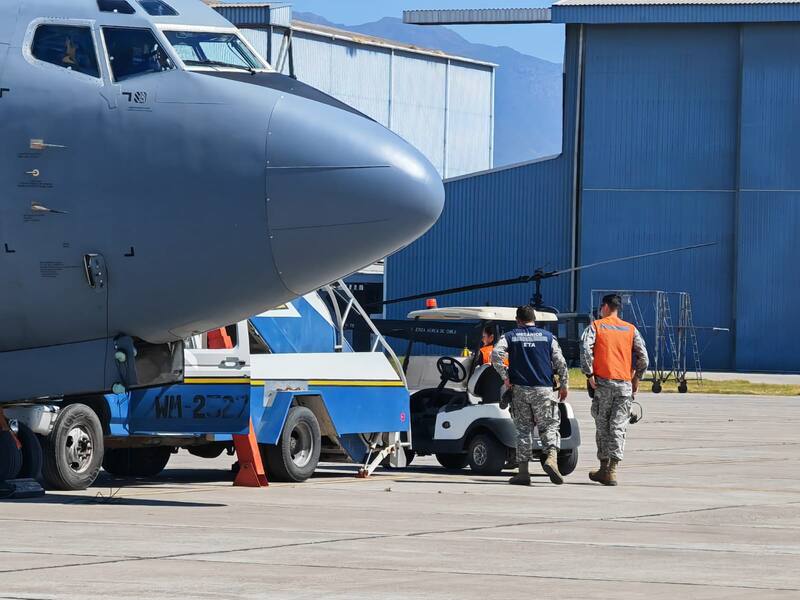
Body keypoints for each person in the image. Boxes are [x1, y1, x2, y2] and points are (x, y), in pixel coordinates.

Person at [492, 305, 569, 486]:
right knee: (549, 426)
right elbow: (561, 362)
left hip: (520, 389)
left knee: (523, 430)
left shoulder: (510, 336)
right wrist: (564, 384)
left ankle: (524, 473)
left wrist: (505, 377)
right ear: (534, 319)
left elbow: (496, 355)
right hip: (544, 389)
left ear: (517, 320)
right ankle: (550, 458)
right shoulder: (548, 337)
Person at [581, 293, 649, 486]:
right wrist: (637, 378)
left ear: (604, 307)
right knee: (618, 427)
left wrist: (588, 373)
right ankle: (612, 470)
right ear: (618, 308)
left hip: (603, 384)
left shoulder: (596, 326)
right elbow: (644, 357)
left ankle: (603, 467)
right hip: (624, 386)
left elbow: (585, 348)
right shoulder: (630, 329)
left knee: (602, 426)